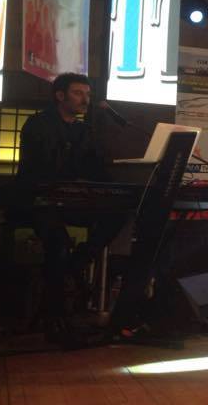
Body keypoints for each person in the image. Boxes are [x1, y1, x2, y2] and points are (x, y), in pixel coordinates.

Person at [15, 72, 125, 344]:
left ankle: (75, 265)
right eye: (78, 93)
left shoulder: (83, 130)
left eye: (88, 95)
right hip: (37, 201)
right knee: (58, 243)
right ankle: (56, 316)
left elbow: (96, 170)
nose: (85, 100)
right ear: (60, 95)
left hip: (70, 201)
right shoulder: (38, 124)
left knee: (118, 214)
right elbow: (39, 169)